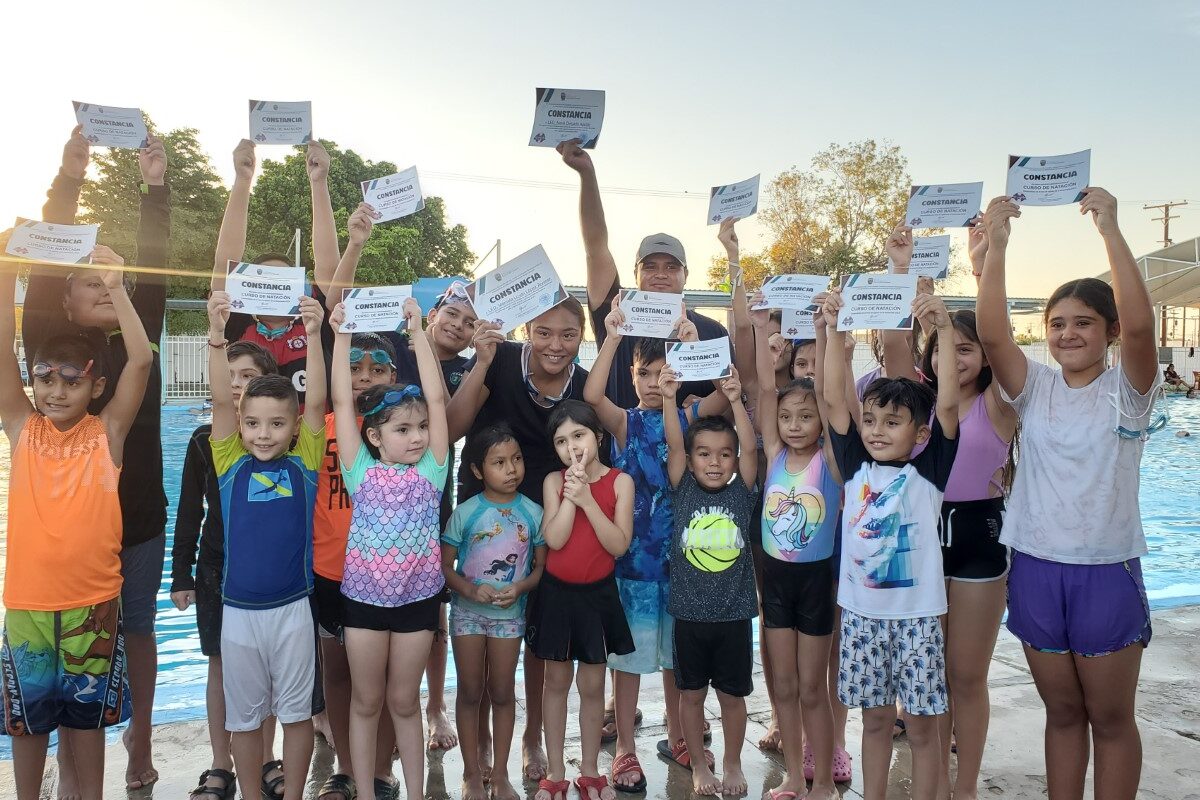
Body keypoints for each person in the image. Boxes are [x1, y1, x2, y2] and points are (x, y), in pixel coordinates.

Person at [976, 189, 1161, 800]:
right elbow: (993, 336)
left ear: (1106, 332)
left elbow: (1141, 326)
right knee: (1061, 714)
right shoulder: (1037, 389)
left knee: (1109, 720)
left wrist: (1110, 228)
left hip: (1104, 572)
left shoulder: (1127, 392)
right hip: (1034, 566)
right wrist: (997, 248)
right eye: (1057, 324)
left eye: (1083, 322)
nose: (1068, 333)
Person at [22, 127, 171, 793]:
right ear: (69, 297)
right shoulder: (55, 352)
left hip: (135, 516)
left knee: (134, 629)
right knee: (54, 649)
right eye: (91, 280)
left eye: (117, 279)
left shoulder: (138, 340)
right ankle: (49, 743)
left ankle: (137, 736)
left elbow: (154, 259)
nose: (107, 288)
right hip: (70, 537)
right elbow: (47, 263)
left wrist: (156, 189)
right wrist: (70, 178)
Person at [0, 260, 150, 800]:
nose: (57, 391)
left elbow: (142, 358)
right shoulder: (21, 429)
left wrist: (114, 287)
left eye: (72, 379)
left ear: (97, 384)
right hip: (28, 607)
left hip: (93, 606)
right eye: (45, 378)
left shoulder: (107, 433)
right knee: (28, 726)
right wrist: (5, 276)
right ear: (31, 380)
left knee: (86, 728)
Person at [583, 306, 729, 793]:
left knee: (676, 660)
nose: (651, 381)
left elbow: (729, 391)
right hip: (633, 565)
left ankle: (677, 734)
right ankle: (624, 747)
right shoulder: (624, 423)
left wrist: (690, 347)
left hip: (683, 564)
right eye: (643, 372)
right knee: (626, 661)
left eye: (662, 372)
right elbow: (590, 395)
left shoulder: (688, 416)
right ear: (632, 373)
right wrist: (610, 336)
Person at [822, 288, 960, 800]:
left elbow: (947, 402)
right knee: (875, 723)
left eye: (893, 422)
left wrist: (943, 331)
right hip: (861, 617)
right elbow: (836, 399)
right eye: (873, 419)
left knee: (924, 731)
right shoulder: (857, 463)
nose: (877, 430)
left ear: (919, 434)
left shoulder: (929, 470)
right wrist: (838, 332)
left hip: (918, 618)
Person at [446, 298, 592, 780]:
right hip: (485, 519)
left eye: (568, 334)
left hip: (546, 521)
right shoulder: (500, 357)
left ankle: (531, 741)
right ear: (527, 328)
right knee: (481, 628)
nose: (555, 344)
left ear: (580, 336)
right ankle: (482, 740)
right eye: (544, 332)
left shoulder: (587, 385)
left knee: (533, 638)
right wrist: (483, 362)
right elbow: (450, 428)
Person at [206, 290, 327, 800]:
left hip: (293, 611)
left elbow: (318, 399)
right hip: (238, 613)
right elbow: (218, 400)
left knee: (296, 714)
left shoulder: (305, 463)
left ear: (296, 426)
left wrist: (316, 333)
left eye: (277, 423)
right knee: (246, 720)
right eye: (252, 423)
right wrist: (217, 337)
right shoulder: (230, 462)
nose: (262, 434)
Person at [328, 296, 449, 800]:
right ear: (374, 436)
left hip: (418, 603)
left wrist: (417, 331)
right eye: (403, 429)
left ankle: (416, 794)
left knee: (404, 702)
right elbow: (339, 402)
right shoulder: (360, 471)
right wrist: (338, 337)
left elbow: (439, 402)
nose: (417, 436)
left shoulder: (433, 471)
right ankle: (361, 788)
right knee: (365, 701)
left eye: (420, 427)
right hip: (363, 603)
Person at [170, 341, 280, 800]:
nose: (237, 384)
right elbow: (190, 511)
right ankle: (222, 761)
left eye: (248, 376)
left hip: (271, 569)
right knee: (219, 663)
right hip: (217, 568)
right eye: (230, 374)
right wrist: (182, 572)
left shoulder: (279, 438)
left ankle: (268, 756)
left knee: (270, 668)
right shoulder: (203, 441)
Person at [750, 299, 842, 800]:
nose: (793, 423)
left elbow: (828, 396)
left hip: (815, 583)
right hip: (778, 585)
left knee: (813, 688)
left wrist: (825, 335)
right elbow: (767, 389)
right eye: (787, 416)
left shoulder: (830, 460)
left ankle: (823, 780)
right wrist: (763, 330)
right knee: (783, 686)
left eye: (805, 417)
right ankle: (792, 774)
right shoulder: (774, 455)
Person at [558, 138, 728, 407]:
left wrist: (705, 405)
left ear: (686, 275)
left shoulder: (711, 331)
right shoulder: (616, 316)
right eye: (649, 266)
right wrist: (587, 174)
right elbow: (595, 247)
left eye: (671, 267)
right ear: (635, 273)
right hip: (622, 444)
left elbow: (731, 400)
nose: (660, 274)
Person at [526, 401, 635, 800]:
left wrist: (589, 499)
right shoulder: (554, 483)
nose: (571, 446)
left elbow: (619, 545)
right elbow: (554, 540)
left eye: (579, 435)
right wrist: (572, 494)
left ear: (597, 437)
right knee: (555, 684)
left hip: (597, 596)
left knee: (592, 686)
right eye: (561, 440)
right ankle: (556, 772)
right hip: (557, 595)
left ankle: (590, 771)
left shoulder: (621, 482)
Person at [660, 368, 759, 798]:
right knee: (692, 696)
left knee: (733, 697)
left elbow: (753, 447)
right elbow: (674, 444)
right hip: (690, 618)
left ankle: (733, 761)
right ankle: (699, 764)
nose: (714, 463)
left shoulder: (742, 493)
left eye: (724, 455)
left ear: (735, 460)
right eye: (704, 454)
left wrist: (736, 399)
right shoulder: (682, 489)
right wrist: (668, 398)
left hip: (735, 617)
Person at [443, 425, 546, 800]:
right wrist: (470, 589)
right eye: (499, 462)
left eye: (516, 459)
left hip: (509, 617)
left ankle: (501, 774)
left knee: (503, 692)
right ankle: (472, 773)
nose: (511, 469)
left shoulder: (533, 513)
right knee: (470, 691)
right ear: (477, 470)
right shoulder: (466, 513)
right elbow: (445, 567)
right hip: (467, 616)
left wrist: (518, 588)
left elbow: (538, 569)